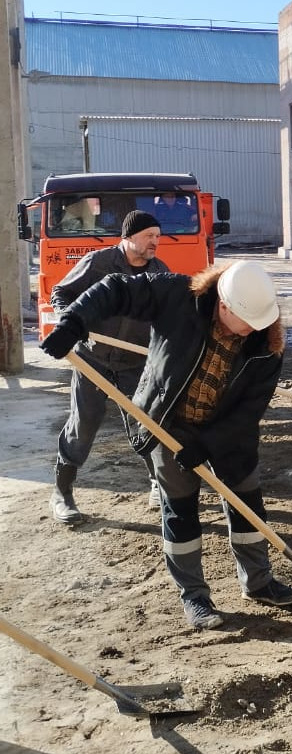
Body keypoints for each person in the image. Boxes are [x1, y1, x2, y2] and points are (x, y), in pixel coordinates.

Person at [40, 260, 292, 630]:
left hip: (227, 434)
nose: (254, 329)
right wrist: (74, 322)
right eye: (247, 321)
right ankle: (195, 597)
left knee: (247, 504)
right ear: (224, 304)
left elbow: (248, 412)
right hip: (167, 424)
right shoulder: (177, 296)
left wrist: (208, 444)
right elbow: (116, 288)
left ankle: (257, 582)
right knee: (180, 510)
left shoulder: (266, 344)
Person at [48, 210, 169, 526]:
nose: (156, 242)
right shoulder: (98, 263)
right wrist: (70, 323)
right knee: (84, 423)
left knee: (147, 422)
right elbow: (61, 293)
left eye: (157, 236)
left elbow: (168, 316)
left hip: (135, 363)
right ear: (129, 238)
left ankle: (158, 483)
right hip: (94, 360)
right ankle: (62, 492)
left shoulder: (158, 271)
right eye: (149, 236)